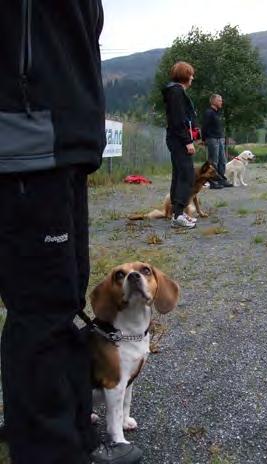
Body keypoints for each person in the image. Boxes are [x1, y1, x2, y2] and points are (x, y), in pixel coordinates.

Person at [0, 2, 142, 464]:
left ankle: (64, 424)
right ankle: (51, 450)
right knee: (42, 307)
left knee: (61, 298)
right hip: (26, 135)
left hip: (60, 139)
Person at [162, 61, 199, 229]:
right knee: (186, 175)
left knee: (179, 175)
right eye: (191, 74)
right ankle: (177, 215)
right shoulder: (176, 92)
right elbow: (178, 120)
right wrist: (188, 141)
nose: (193, 77)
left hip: (176, 139)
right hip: (179, 140)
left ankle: (178, 213)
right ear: (185, 75)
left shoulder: (175, 92)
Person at [201, 94, 233, 189]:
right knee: (213, 161)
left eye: (221, 100)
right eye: (219, 100)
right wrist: (204, 139)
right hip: (212, 139)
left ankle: (221, 180)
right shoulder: (208, 113)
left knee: (222, 161)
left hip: (220, 138)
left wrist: (224, 137)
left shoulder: (218, 113)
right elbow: (204, 127)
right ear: (213, 101)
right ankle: (213, 182)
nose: (221, 102)